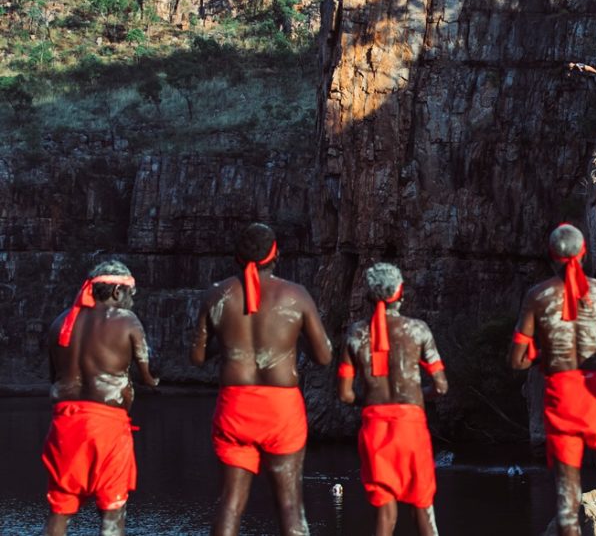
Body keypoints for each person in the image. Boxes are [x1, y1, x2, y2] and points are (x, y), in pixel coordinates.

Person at [190, 223, 333, 536]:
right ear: (276, 255)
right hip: (281, 409)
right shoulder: (296, 295)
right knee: (290, 506)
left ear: (237, 258)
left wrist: (227, 341)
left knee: (230, 503)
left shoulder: (217, 294)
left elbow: (198, 358)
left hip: (235, 406)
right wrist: (292, 337)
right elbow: (324, 357)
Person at [509, 223, 596, 536]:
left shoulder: (537, 296)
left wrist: (546, 358)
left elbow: (517, 360)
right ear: (583, 254)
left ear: (552, 257)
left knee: (567, 501)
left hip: (562, 400)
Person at [41, 259, 159, 536]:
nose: (132, 301)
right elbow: (146, 374)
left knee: (59, 511)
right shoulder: (126, 320)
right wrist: (153, 381)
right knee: (112, 513)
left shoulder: (61, 322)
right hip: (107, 427)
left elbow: (53, 376)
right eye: (131, 294)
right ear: (118, 292)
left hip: (64, 425)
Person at [337, 262, 447, 536]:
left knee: (385, 513)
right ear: (400, 292)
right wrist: (418, 398)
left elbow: (345, 394)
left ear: (370, 295)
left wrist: (371, 401)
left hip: (374, 426)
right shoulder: (418, 330)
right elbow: (441, 386)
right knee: (422, 505)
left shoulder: (355, 334)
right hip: (411, 423)